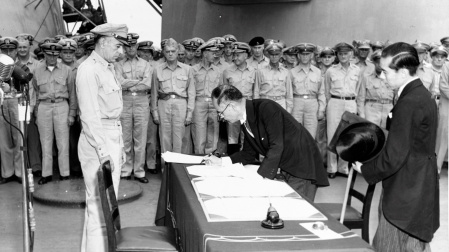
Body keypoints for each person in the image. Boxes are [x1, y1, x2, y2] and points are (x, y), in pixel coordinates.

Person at [354, 42, 439, 252]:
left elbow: (395, 155)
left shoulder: (410, 101)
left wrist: (365, 169)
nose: (382, 76)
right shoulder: (418, 93)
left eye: (385, 71)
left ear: (402, 71)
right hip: (416, 180)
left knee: (390, 243)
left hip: (407, 185)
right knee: (412, 243)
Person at [204, 85, 329, 201]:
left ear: (231, 106)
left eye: (220, 112)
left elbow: (277, 145)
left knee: (297, 210)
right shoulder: (246, 118)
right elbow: (248, 153)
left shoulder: (266, 108)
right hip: (288, 164)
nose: (221, 117)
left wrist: (259, 177)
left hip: (302, 166)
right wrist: (222, 162)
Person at [76, 23, 129, 252]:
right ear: (104, 42)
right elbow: (89, 116)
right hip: (97, 140)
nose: (122, 52)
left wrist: (121, 147)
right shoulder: (88, 70)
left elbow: (113, 113)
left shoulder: (108, 67)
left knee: (106, 203)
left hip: (111, 135)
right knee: (99, 206)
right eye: (118, 46)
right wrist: (103, 152)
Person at [30, 43, 77, 184]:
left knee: (63, 143)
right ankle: (47, 174)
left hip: (62, 105)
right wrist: (37, 112)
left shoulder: (67, 70)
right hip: (44, 106)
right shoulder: (37, 70)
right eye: (49, 55)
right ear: (44, 54)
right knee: (45, 142)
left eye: (55, 55)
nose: (52, 58)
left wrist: (72, 114)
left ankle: (64, 173)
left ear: (58, 55)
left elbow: (72, 93)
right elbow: (36, 91)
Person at [115, 33, 153, 183]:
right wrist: (137, 82)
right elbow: (119, 82)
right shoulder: (118, 64)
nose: (130, 48)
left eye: (132, 45)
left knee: (140, 138)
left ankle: (139, 171)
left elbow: (147, 84)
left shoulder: (145, 64)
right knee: (125, 138)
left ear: (136, 46)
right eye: (127, 45)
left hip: (141, 101)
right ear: (124, 47)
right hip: (124, 100)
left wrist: (128, 83)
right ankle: (125, 170)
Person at [151, 38, 195, 156]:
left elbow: (191, 92)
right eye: (167, 51)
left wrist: (190, 113)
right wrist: (154, 112)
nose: (170, 54)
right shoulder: (157, 70)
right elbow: (154, 92)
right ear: (164, 53)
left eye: (173, 51)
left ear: (178, 52)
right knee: (164, 138)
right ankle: (166, 171)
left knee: (180, 139)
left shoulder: (187, 69)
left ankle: (178, 170)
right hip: (164, 104)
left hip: (181, 104)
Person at [324, 42, 361, 178]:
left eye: (346, 53)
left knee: (347, 136)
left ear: (350, 54)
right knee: (332, 135)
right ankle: (332, 168)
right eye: (340, 54)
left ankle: (343, 167)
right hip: (335, 102)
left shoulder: (357, 70)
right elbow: (326, 90)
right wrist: (331, 103)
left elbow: (359, 90)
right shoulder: (331, 71)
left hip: (350, 103)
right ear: (337, 55)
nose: (343, 56)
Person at [15, 34, 43, 177]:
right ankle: (22, 169)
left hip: (31, 105)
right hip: (16, 106)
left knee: (33, 139)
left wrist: (35, 107)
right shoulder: (12, 64)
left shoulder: (37, 65)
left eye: (25, 47)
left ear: (29, 47)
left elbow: (38, 88)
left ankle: (36, 167)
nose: (22, 50)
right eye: (19, 47)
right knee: (20, 138)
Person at [221, 42, 256, 154]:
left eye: (238, 55)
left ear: (246, 56)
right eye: (234, 54)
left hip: (248, 106)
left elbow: (256, 91)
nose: (235, 57)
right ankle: (233, 159)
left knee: (248, 135)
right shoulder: (227, 71)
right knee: (232, 137)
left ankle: (247, 160)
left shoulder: (254, 71)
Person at [191, 40, 221, 154]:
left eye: (216, 53)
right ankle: (199, 160)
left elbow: (220, 91)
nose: (215, 55)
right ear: (204, 53)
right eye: (212, 52)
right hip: (199, 104)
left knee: (212, 137)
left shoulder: (217, 70)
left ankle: (211, 162)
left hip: (214, 104)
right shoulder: (193, 70)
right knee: (199, 136)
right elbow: (191, 90)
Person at [58, 38, 83, 177]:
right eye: (65, 52)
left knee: (80, 139)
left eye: (71, 52)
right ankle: (70, 168)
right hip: (65, 106)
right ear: (60, 53)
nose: (68, 55)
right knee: (66, 141)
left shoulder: (81, 66)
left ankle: (78, 167)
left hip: (82, 107)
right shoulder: (58, 67)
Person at [0, 37, 23, 184]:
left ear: (16, 51)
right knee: (3, 139)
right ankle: (7, 173)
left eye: (11, 50)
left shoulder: (21, 67)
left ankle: (20, 172)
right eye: (4, 50)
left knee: (19, 138)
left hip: (17, 103)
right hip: (2, 103)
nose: (8, 52)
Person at [357, 50, 394, 129]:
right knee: (371, 134)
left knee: (387, 135)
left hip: (388, 110)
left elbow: (396, 98)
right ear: (373, 63)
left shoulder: (392, 78)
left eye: (382, 62)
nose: (380, 65)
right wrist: (361, 114)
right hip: (371, 110)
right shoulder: (367, 78)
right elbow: (361, 98)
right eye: (377, 62)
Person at [254, 42, 293, 113]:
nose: (274, 57)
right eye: (272, 54)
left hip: (281, 103)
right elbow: (256, 92)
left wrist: (289, 110)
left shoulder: (286, 72)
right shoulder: (260, 71)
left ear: (280, 55)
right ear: (268, 55)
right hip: (265, 103)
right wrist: (256, 108)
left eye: (276, 54)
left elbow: (289, 94)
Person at [437, 49, 449, 174]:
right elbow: (443, 86)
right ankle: (437, 168)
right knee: (443, 137)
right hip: (447, 105)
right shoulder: (447, 65)